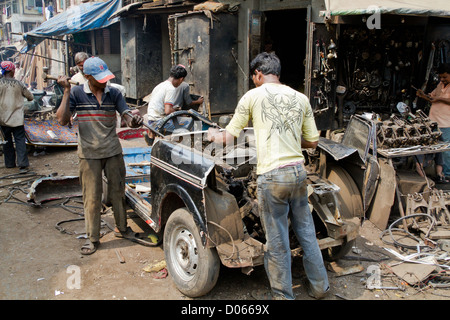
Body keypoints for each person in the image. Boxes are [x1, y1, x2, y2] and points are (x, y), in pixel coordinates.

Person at [207, 52, 329, 300]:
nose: (254, 81)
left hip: (272, 177)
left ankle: (283, 296)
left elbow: (229, 137)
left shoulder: (252, 96)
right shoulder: (301, 98)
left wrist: (212, 135)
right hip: (297, 172)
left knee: (277, 242)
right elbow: (313, 142)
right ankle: (320, 288)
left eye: (254, 77)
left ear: (259, 74)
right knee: (306, 233)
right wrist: (292, 139)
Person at [56, 57, 143, 255]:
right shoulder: (76, 92)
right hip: (89, 154)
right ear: (87, 77)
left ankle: (123, 228)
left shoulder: (114, 93)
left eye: (106, 77)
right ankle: (92, 238)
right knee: (92, 198)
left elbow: (127, 116)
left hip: (112, 150)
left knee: (118, 192)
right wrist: (66, 91)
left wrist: (134, 121)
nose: (104, 81)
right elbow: (61, 120)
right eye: (100, 78)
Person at [144, 64, 204, 145]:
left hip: (151, 120)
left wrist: (175, 110)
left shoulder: (160, 85)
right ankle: (180, 147)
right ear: (181, 79)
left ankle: (151, 137)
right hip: (159, 122)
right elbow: (168, 110)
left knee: (180, 120)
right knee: (195, 124)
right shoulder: (171, 89)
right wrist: (182, 113)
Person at [416, 63, 450, 180]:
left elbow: (439, 99)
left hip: (447, 123)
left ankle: (447, 175)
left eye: (445, 77)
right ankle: (440, 174)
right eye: (441, 77)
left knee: (445, 150)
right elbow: (432, 99)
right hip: (434, 122)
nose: (442, 79)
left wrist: (439, 98)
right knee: (437, 150)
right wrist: (423, 96)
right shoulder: (440, 84)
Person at [0, 61, 34, 173]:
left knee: (7, 141)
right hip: (17, 120)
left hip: (3, 119)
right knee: (20, 141)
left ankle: (9, 164)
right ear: (13, 71)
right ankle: (23, 164)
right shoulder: (19, 84)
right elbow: (30, 97)